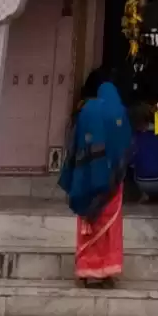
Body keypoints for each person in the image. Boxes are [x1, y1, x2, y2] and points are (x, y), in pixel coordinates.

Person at [59, 69, 133, 286]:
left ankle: (85, 268)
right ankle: (106, 270)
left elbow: (75, 142)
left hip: (86, 176)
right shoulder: (118, 111)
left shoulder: (86, 111)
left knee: (88, 223)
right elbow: (126, 145)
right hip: (110, 181)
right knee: (109, 225)